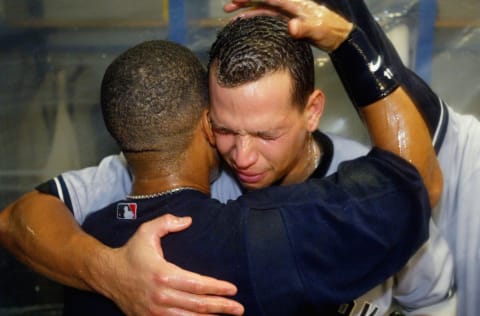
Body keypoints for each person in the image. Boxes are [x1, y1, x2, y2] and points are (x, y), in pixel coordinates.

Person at [0, 0, 462, 314]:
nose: (242, 155)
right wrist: (111, 273)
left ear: (312, 111)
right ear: (203, 122)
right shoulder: (143, 173)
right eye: (224, 129)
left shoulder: (364, 180)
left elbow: (434, 296)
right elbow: (20, 220)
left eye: (265, 133)